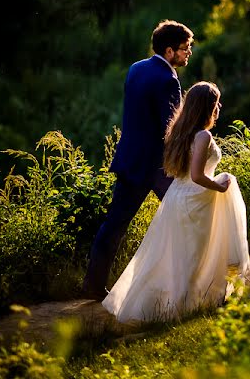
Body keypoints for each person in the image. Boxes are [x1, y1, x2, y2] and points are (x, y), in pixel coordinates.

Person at [103, 81, 250, 322]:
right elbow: (197, 175)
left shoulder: (181, 131)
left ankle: (175, 303)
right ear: (207, 106)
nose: (219, 107)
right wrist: (220, 186)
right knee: (192, 256)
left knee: (177, 255)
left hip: (177, 197)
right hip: (194, 201)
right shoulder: (203, 135)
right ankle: (180, 308)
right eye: (216, 103)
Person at [82, 20, 194, 300]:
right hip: (158, 167)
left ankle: (93, 285)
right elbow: (170, 130)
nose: (188, 53)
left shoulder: (136, 69)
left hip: (130, 160)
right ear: (169, 51)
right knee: (186, 217)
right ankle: (189, 282)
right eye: (185, 48)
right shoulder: (167, 80)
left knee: (114, 225)